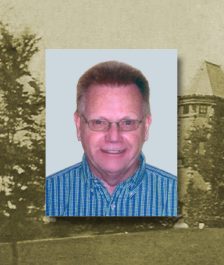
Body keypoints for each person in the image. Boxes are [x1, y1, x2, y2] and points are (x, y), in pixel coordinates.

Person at [45, 60, 177, 216]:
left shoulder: (173, 195)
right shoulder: (49, 193)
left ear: (146, 127)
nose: (114, 137)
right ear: (78, 125)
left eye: (128, 122)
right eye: (99, 122)